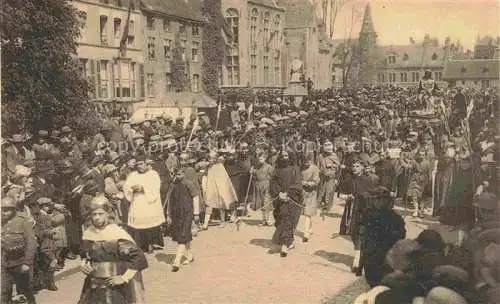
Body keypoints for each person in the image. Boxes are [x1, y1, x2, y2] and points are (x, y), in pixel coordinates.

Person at [78, 195, 148, 304]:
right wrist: (83, 264)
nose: (97, 217)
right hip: (93, 286)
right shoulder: (88, 233)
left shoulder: (116, 234)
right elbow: (85, 254)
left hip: (114, 287)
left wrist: (124, 278)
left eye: (100, 214)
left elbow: (139, 258)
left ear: (107, 214)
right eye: (94, 214)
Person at [362, 187, 406, 287]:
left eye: (377, 199)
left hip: (384, 258)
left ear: (384, 200)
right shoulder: (369, 214)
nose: (374, 201)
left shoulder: (395, 218)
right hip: (372, 257)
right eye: (374, 199)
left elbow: (400, 238)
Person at [123, 155, 165, 253]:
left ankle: (150, 244)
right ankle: (141, 244)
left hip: (148, 202)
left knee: (149, 225)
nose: (139, 166)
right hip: (137, 201)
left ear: (146, 164)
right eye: (137, 165)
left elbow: (155, 187)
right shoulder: (133, 175)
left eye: (141, 164)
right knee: (138, 226)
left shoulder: (153, 174)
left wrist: (143, 189)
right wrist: (131, 189)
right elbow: (126, 186)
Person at [1, 197, 37, 304]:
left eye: (6, 209)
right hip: (5, 263)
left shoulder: (22, 221)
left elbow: (31, 243)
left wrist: (27, 262)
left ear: (14, 209)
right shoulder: (1, 222)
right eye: (2, 209)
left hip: (21, 262)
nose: (3, 212)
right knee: (4, 292)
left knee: (26, 290)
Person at [167, 164, 200, 272]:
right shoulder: (173, 185)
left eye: (180, 174)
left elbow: (195, 198)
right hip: (177, 213)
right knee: (183, 235)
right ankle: (190, 256)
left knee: (183, 234)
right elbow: (169, 202)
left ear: (184, 174)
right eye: (176, 174)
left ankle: (177, 261)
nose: (178, 176)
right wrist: (169, 215)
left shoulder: (189, 184)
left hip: (187, 212)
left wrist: (196, 213)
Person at [270, 150, 303, 257]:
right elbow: (273, 182)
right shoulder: (277, 169)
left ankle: (284, 246)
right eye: (283, 156)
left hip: (292, 199)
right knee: (280, 219)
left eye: (286, 156)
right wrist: (279, 193)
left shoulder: (295, 169)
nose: (284, 158)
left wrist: (288, 194)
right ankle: (290, 242)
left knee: (288, 220)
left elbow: (297, 184)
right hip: (279, 199)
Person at [300, 153, 320, 242]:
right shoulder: (301, 168)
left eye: (307, 162)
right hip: (302, 193)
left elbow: (316, 181)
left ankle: (306, 233)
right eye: (304, 162)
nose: (305, 164)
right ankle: (310, 228)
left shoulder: (315, 168)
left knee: (307, 213)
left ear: (310, 161)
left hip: (311, 193)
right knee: (306, 212)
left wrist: (305, 183)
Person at [251, 153, 274, 226]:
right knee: (261, 203)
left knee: (267, 203)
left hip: (266, 186)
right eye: (259, 159)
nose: (259, 160)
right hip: (258, 185)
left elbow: (272, 176)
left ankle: (269, 220)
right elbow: (254, 176)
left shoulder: (269, 167)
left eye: (261, 159)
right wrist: (251, 172)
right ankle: (263, 220)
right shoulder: (256, 167)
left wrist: (268, 180)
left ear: (265, 158)